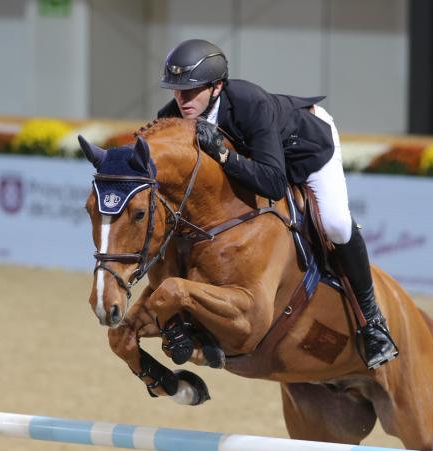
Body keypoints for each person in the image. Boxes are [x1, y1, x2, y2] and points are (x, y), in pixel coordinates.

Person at [157, 39, 397, 369]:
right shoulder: (172, 117)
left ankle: (373, 323)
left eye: (191, 90)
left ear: (217, 87)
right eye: (176, 91)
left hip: (308, 150)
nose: (181, 100)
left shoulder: (249, 103)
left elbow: (272, 181)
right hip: (259, 160)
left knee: (336, 223)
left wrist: (224, 156)